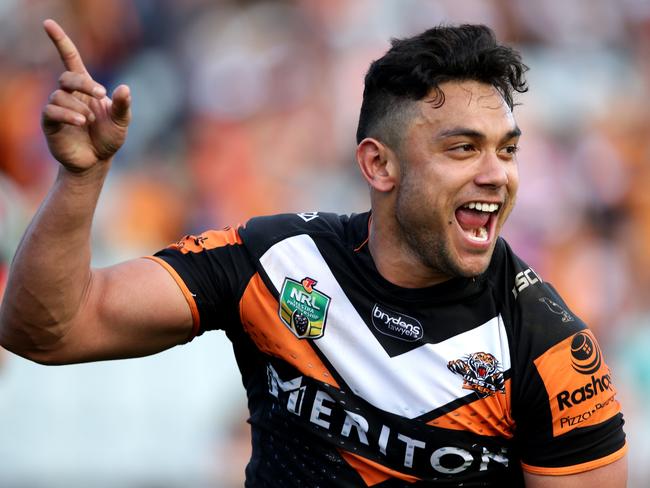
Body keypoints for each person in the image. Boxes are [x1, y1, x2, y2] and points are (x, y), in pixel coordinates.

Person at [0, 19, 627, 487]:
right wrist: (80, 177)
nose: (498, 175)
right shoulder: (276, 262)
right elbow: (45, 331)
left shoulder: (548, 348)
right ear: (378, 164)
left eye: (508, 150)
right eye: (463, 149)